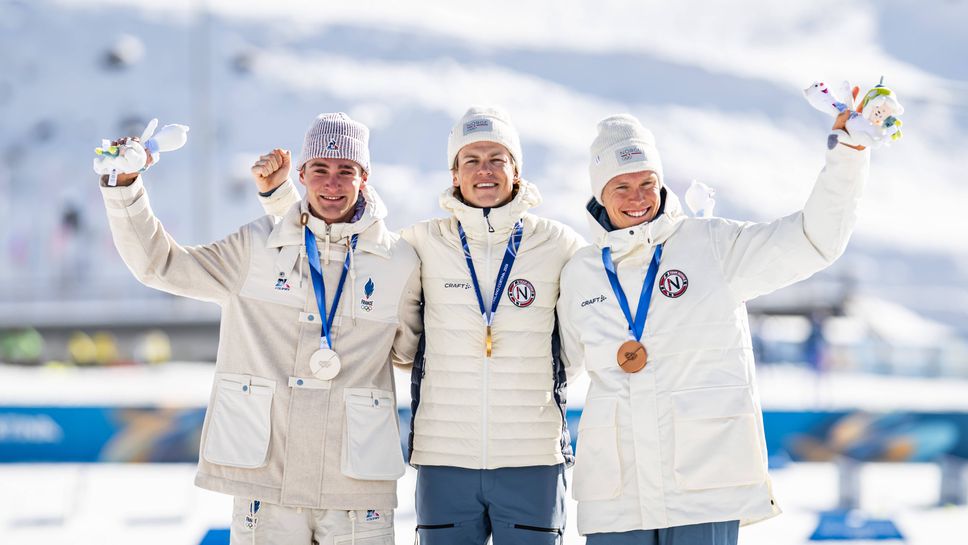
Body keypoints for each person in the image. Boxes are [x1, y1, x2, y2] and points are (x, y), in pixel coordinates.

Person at [259, 106, 586, 544]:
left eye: (497, 159)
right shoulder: (421, 243)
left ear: (516, 169)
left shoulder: (559, 243)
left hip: (532, 458)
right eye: (471, 160)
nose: (484, 171)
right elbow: (337, 248)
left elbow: (580, 339)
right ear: (454, 172)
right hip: (443, 458)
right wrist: (280, 200)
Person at [99, 112, 422, 545]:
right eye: (320, 170)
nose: (332, 183)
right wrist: (125, 190)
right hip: (267, 483)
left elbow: (411, 355)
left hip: (356, 486)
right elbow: (161, 265)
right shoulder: (256, 246)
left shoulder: (399, 262)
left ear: (364, 177)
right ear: (303, 174)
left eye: (346, 171)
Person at [556, 108, 871, 544]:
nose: (637, 197)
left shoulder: (711, 245)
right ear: (599, 195)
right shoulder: (581, 273)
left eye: (647, 182)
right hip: (616, 496)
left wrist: (848, 159)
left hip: (704, 484)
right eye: (621, 186)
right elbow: (556, 366)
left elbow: (811, 241)